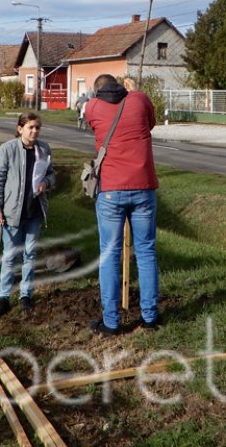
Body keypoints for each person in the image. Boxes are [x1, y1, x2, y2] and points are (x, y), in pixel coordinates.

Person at [84, 73, 159, 336]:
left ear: (96, 89)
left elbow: (96, 125)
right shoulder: (140, 100)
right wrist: (135, 91)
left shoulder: (92, 106)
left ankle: (112, 322)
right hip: (143, 187)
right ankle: (150, 318)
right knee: (147, 252)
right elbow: (150, 124)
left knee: (110, 254)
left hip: (111, 191)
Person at [0, 113, 55, 316]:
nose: (34, 131)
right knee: (10, 256)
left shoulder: (43, 149)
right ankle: (4, 297)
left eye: (37, 127)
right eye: (30, 127)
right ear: (20, 129)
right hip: (12, 213)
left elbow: (52, 173)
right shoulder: (7, 150)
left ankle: (25, 295)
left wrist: (47, 182)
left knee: (30, 255)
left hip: (34, 212)